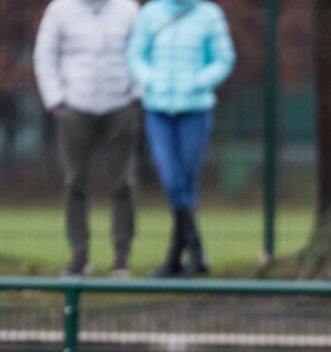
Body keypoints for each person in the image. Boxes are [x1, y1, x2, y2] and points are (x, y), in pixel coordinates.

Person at [33, 0, 143, 277]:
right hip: (75, 106)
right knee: (75, 182)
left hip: (120, 104)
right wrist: (56, 99)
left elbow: (142, 51)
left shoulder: (128, 9)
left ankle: (121, 256)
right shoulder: (60, 9)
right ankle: (79, 254)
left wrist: (136, 94)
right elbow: (44, 55)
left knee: (123, 183)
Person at [125, 0, 234, 277]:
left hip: (195, 110)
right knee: (171, 178)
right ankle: (195, 251)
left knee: (185, 181)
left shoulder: (209, 15)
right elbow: (135, 55)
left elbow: (223, 58)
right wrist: (151, 79)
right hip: (158, 109)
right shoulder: (151, 13)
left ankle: (175, 258)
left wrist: (199, 81)